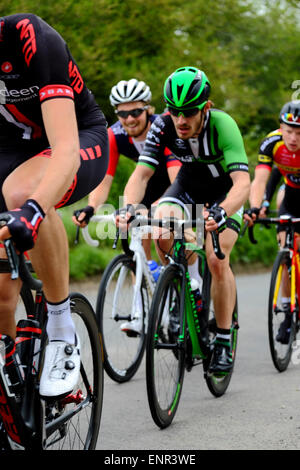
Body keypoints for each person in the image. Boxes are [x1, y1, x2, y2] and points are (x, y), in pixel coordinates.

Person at [0, 14, 109, 398]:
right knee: (1, 296)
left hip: (77, 138)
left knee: (22, 194)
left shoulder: (30, 37)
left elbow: (65, 149)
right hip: (8, 152)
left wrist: (33, 208)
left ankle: (61, 325)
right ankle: (11, 382)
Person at [117, 66, 250, 374]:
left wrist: (223, 210)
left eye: (188, 112)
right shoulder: (162, 125)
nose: (181, 120)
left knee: (217, 260)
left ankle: (223, 336)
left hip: (224, 194)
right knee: (161, 225)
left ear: (205, 107)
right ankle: (182, 287)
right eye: (174, 111)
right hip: (187, 189)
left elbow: (242, 183)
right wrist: (129, 207)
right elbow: (142, 173)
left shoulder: (223, 125)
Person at [73, 78, 181, 334]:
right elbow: (104, 178)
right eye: (122, 113)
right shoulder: (115, 135)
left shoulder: (164, 129)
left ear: (149, 109)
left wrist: (159, 207)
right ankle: (141, 312)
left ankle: (182, 290)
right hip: (145, 183)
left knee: (163, 235)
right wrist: (91, 208)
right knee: (137, 244)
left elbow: (177, 179)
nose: (129, 119)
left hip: (175, 179)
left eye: (135, 112)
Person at [244, 100, 300, 344]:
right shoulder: (272, 142)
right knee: (285, 248)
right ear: (280, 127)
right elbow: (259, 180)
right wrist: (256, 207)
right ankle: (288, 312)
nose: (293, 138)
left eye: (299, 133)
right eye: (289, 131)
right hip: (291, 196)